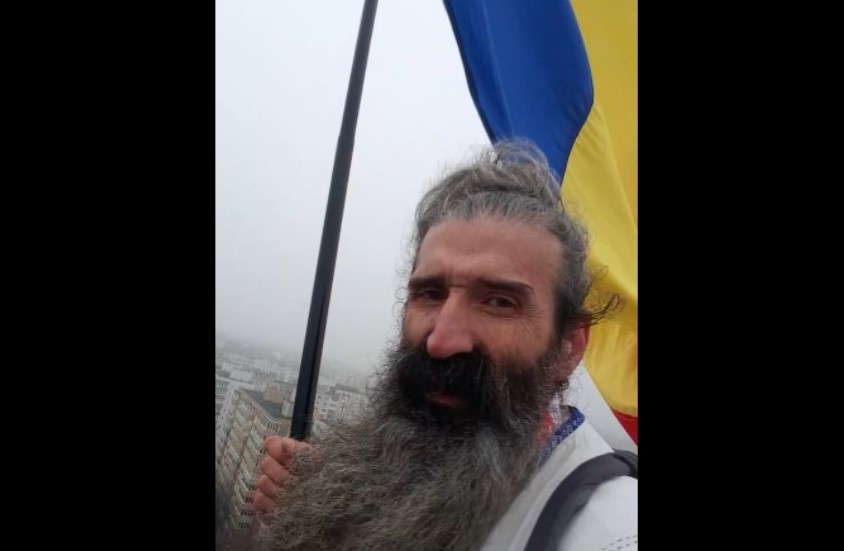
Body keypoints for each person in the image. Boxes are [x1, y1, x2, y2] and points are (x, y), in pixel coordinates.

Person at [254, 141, 637, 551]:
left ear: (569, 347)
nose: (440, 341)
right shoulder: (425, 457)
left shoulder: (613, 533)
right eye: (431, 293)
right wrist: (321, 512)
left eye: (499, 302)